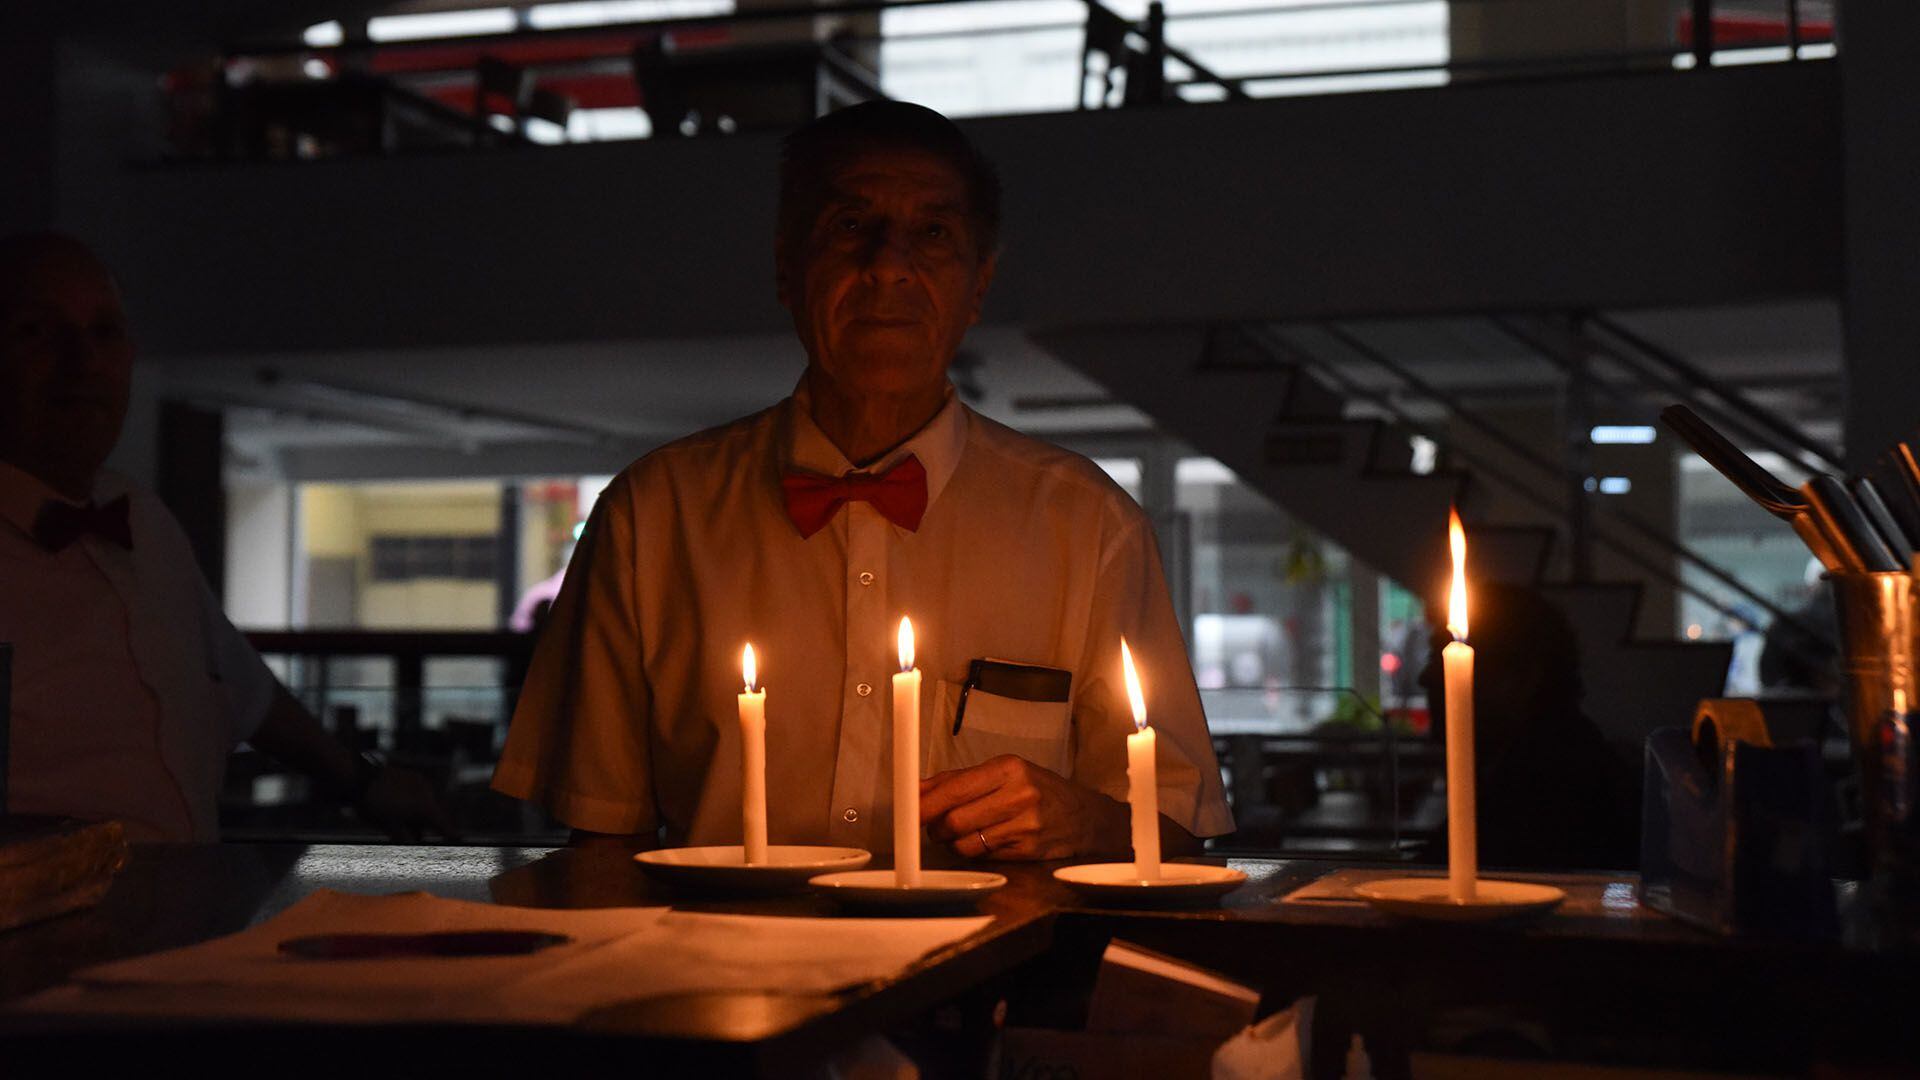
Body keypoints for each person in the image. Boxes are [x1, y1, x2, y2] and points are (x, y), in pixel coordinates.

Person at [493, 102, 1233, 859]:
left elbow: (1179, 829)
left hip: (998, 967)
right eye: (850, 226)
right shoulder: (650, 517)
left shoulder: (1090, 526)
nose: (887, 264)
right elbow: (600, 834)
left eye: (934, 234)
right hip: (720, 967)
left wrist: (1086, 821)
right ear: (788, 265)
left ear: (979, 283)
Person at [0, 231, 452, 843]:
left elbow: (244, 687)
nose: (82, 363)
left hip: (181, 923)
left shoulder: (143, 518)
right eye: (36, 333)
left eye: (104, 332)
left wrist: (362, 782)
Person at [1419, 583, 1636, 870]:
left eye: (1438, 660)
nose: (1425, 678)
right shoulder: (1528, 761)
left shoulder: (1552, 791)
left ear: (1521, 678)